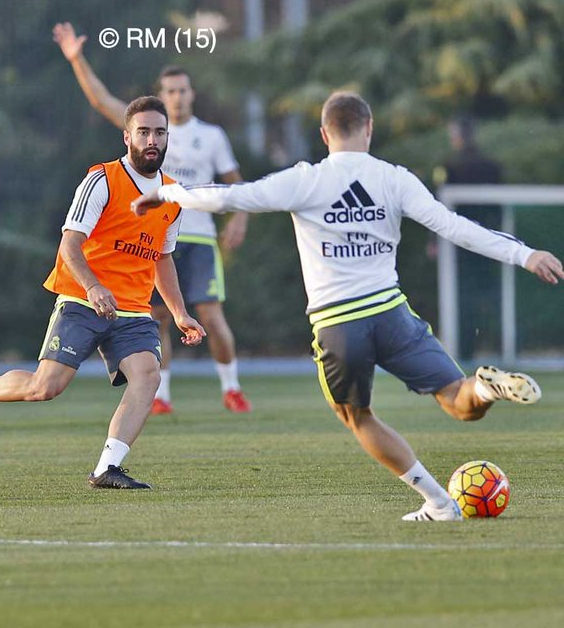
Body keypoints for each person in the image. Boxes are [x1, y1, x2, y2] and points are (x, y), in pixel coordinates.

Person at [132, 91, 562, 520]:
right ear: (369, 129)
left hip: (339, 324)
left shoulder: (306, 179)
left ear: (324, 134)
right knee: (457, 398)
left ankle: (438, 502)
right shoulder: (394, 178)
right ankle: (486, 387)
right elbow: (456, 227)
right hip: (393, 314)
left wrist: (169, 195)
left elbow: (229, 196)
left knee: (357, 417)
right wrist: (526, 255)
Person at [0, 97, 206, 489]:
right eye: (144, 132)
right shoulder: (102, 180)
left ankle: (106, 468)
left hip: (132, 307)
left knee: (148, 376)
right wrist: (93, 286)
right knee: (45, 387)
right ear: (127, 136)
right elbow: (69, 244)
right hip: (83, 299)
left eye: (160, 132)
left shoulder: (172, 196)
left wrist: (179, 313)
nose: (152, 139)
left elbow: (162, 259)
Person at [53, 22, 251, 414]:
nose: (177, 96)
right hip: (149, 240)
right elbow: (102, 100)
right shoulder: (144, 130)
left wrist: (239, 218)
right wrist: (77, 59)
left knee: (209, 313)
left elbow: (234, 184)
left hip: (197, 236)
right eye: (171, 91)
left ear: (192, 94)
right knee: (157, 316)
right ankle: (160, 396)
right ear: (161, 97)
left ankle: (232, 388)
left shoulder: (209, 136)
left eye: (183, 89)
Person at [430, 116, 503, 360]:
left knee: (462, 297)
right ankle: (496, 344)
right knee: (488, 294)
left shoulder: (450, 167)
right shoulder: (491, 166)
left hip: (458, 246)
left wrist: (433, 241)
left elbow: (438, 208)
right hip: (489, 242)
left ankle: (464, 349)